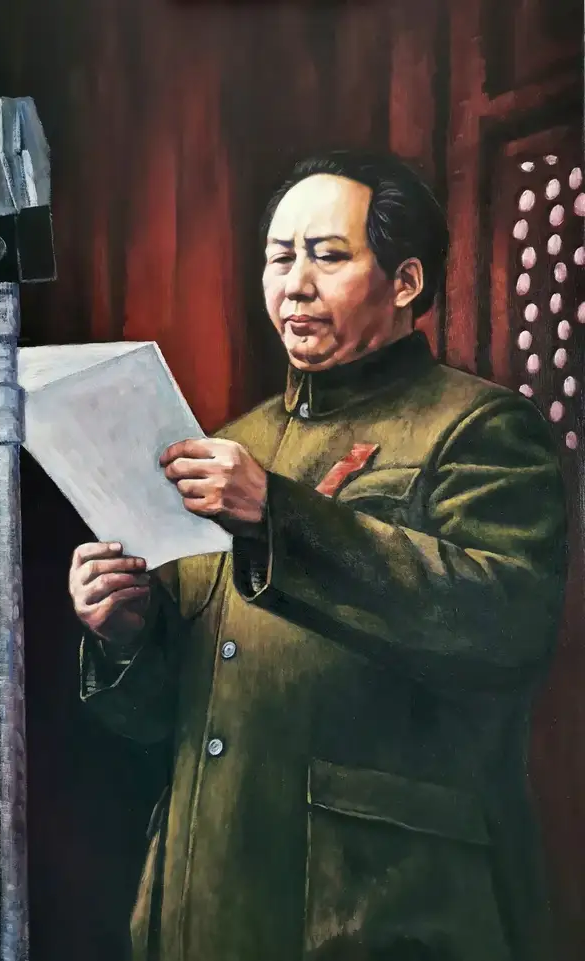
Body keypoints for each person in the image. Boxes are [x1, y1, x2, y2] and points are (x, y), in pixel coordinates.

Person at [69, 151, 567, 961]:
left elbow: (504, 625)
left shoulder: (479, 428)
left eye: (327, 256)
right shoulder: (233, 442)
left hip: (374, 912)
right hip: (203, 905)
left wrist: (278, 514)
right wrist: (124, 633)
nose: (294, 285)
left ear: (406, 282)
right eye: (278, 257)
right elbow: (162, 718)